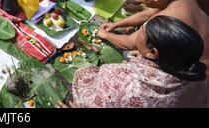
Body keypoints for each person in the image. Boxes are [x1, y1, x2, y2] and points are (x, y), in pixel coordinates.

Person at [70, 16, 207, 108]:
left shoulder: (118, 79)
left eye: (141, 31)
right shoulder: (196, 74)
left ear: (153, 52)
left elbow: (97, 98)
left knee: (85, 73)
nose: (136, 34)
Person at [98, 0, 209, 75]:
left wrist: (105, 35)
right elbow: (146, 14)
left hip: (196, 72)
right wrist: (115, 25)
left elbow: (131, 43)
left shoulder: (167, 17)